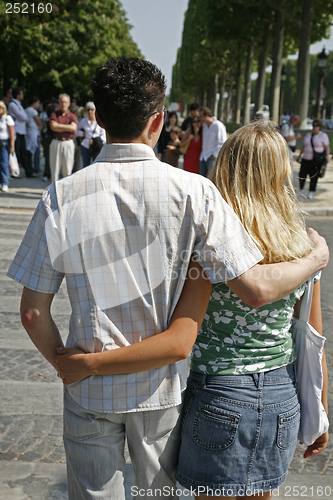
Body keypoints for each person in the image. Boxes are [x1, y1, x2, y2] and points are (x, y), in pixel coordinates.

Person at [7, 58, 328, 500]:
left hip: (89, 389)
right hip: (162, 389)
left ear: (96, 118)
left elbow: (31, 311)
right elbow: (253, 286)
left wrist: (67, 363)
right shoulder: (195, 192)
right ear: (158, 120)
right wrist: (315, 258)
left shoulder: (61, 195)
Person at [175, 121, 329, 499]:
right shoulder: (303, 245)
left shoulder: (211, 239)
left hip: (219, 390)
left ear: (225, 166)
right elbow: (313, 336)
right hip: (281, 394)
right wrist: (321, 411)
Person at [296, 119, 330, 200]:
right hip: (305, 158)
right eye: (313, 125)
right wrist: (299, 156)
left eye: (316, 126)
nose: (314, 127)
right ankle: (301, 190)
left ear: (319, 127)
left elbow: (326, 147)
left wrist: (327, 157)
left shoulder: (323, 136)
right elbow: (304, 146)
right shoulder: (308, 135)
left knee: (314, 176)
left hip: (316, 160)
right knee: (302, 174)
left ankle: (311, 192)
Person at [49, 93, 77, 182]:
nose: (63, 104)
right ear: (59, 103)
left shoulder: (72, 116)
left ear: (69, 104)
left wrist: (58, 126)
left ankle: (66, 194)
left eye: (65, 102)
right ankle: (54, 193)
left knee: (68, 170)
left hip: (68, 143)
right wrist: (67, 127)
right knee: (54, 170)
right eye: (61, 102)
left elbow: (73, 129)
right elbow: (53, 127)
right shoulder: (54, 114)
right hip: (56, 142)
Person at [8, 87, 35, 178]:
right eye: (21, 93)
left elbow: (24, 116)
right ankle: (14, 171)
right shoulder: (12, 104)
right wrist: (25, 118)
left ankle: (29, 171)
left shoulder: (18, 104)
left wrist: (25, 117)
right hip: (16, 131)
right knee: (15, 152)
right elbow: (23, 117)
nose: (23, 95)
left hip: (21, 131)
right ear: (18, 95)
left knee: (23, 152)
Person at [199, 106, 227, 177]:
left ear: (207, 115)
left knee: (211, 179)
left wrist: (214, 155)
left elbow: (223, 142)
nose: (200, 118)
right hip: (203, 156)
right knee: (201, 179)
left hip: (212, 158)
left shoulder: (218, 125)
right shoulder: (204, 126)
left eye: (201, 116)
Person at [76, 101, 106, 167]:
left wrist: (95, 140)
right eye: (88, 110)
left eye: (92, 110)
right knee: (85, 165)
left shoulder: (99, 121)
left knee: (96, 165)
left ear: (95, 111)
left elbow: (103, 135)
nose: (90, 111)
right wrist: (83, 134)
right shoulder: (83, 121)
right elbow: (76, 130)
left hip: (96, 146)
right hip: (86, 145)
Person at [0, 101, 15, 192]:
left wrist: (12, 145)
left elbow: (11, 133)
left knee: (4, 163)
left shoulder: (7, 118)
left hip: (4, 142)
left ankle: (5, 182)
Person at [25, 96, 42, 174]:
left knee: (29, 151)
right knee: (36, 151)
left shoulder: (25, 110)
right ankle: (36, 168)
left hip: (28, 131)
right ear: (34, 103)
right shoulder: (34, 111)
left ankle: (30, 167)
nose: (38, 105)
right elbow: (38, 122)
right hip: (34, 132)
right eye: (38, 103)